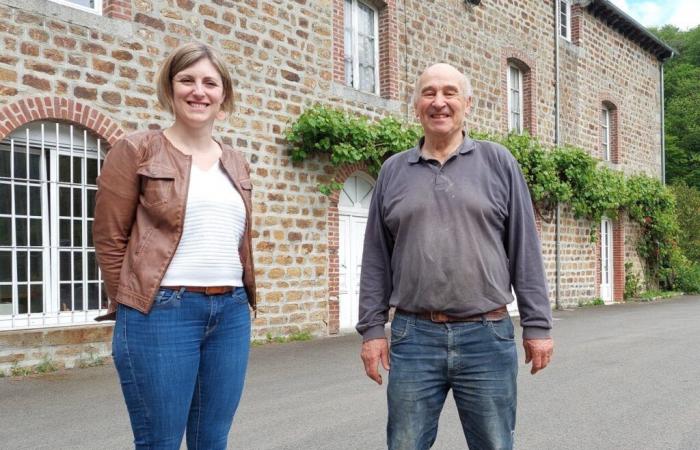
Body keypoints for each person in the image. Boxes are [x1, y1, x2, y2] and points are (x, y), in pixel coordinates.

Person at [357, 63, 554, 450]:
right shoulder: (393, 171)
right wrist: (371, 330)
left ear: (467, 103)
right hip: (413, 337)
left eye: (449, 93)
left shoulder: (498, 163)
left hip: (487, 335)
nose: (439, 102)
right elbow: (376, 258)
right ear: (415, 105)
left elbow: (524, 248)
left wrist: (538, 325)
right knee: (405, 444)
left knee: (494, 444)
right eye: (429, 93)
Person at [93, 42, 256, 450]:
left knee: (212, 440)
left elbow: (237, 240)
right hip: (160, 313)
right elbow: (109, 239)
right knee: (160, 442)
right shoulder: (136, 149)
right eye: (187, 80)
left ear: (224, 95)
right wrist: (131, 302)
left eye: (210, 83)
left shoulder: (235, 161)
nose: (198, 91)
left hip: (232, 313)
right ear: (170, 88)